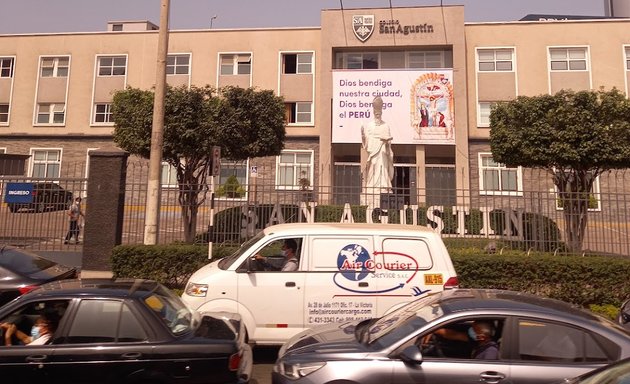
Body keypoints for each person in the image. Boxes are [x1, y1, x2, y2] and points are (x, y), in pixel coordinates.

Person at [361, 96, 394, 208]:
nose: (377, 115)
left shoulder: (386, 125)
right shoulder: (369, 125)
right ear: (373, 113)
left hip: (383, 150)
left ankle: (383, 186)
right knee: (373, 165)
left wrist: (386, 142)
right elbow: (367, 141)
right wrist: (363, 137)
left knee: (383, 167)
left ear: (381, 113)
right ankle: (371, 186)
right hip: (373, 150)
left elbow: (389, 139)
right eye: (376, 114)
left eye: (379, 114)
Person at [424, 320, 499, 360]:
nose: (470, 330)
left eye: (473, 330)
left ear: (482, 337)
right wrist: (434, 330)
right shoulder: (479, 341)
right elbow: (453, 335)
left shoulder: (490, 352)